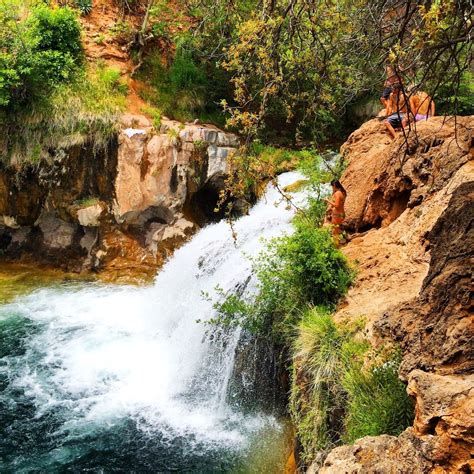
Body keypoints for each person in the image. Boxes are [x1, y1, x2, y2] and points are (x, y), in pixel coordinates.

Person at [324, 180, 347, 247]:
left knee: (334, 232)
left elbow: (336, 205)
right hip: (340, 214)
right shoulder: (342, 192)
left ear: (334, 185)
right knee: (336, 230)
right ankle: (344, 240)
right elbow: (339, 205)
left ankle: (337, 246)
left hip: (337, 215)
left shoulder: (337, 193)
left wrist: (327, 200)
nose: (332, 188)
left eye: (332, 186)